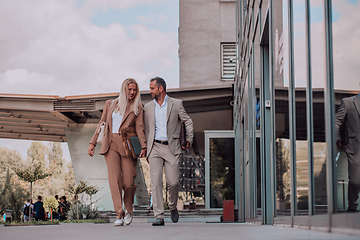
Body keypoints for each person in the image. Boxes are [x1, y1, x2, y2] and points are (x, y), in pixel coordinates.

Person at [88, 78, 147, 226]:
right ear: (123, 89)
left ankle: (129, 210)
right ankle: (119, 213)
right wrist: (92, 142)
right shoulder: (110, 104)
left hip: (127, 145)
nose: (132, 92)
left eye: (134, 90)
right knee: (114, 179)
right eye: (130, 89)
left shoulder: (138, 107)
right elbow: (102, 124)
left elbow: (140, 128)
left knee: (128, 182)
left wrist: (144, 146)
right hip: (111, 144)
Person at [143, 76, 193, 226]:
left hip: (172, 148)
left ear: (161, 89)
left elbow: (187, 121)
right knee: (156, 182)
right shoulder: (147, 107)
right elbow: (145, 129)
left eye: (152, 88)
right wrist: (146, 149)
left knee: (173, 182)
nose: (150, 91)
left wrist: (189, 138)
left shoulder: (176, 104)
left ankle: (172, 206)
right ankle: (158, 215)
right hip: (155, 149)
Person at [335, 93, 360, 212]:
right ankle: (353, 206)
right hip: (354, 147)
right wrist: (338, 138)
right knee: (355, 181)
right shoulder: (348, 102)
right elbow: (336, 121)